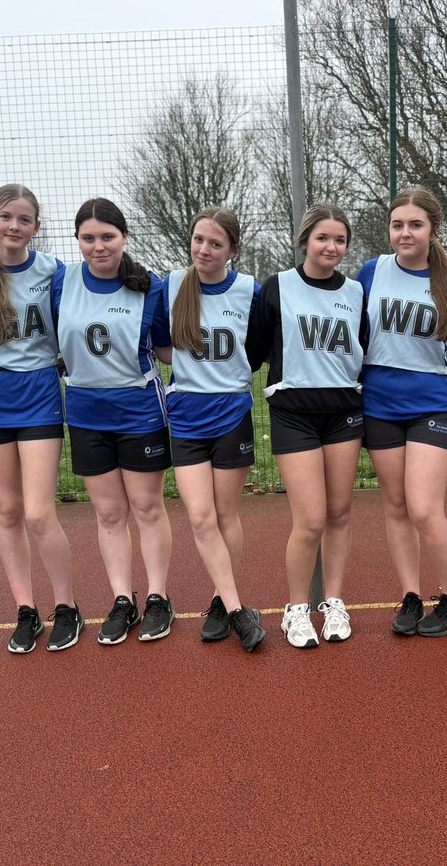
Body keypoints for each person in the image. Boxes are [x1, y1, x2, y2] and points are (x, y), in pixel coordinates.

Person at [0, 184, 80, 654]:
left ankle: (66, 606)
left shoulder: (52, 271)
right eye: (6, 217)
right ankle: (26, 609)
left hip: (39, 393)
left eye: (24, 220)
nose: (14, 226)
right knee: (6, 510)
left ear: (36, 228)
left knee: (39, 512)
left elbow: (69, 326)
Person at [56, 198, 174, 645]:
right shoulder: (61, 282)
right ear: (78, 240)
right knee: (108, 512)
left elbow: (166, 349)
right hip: (85, 413)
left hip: (139, 409)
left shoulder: (151, 287)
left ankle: (159, 598)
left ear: (124, 237)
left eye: (107, 236)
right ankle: (123, 599)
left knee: (146, 507)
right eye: (88, 238)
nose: (98, 246)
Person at [247, 204, 366, 649]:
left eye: (339, 240)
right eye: (322, 238)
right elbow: (253, 351)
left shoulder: (355, 292)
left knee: (339, 513)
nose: (331, 247)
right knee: (311, 518)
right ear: (305, 241)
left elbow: (365, 347)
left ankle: (333, 601)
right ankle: (296, 609)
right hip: (293, 412)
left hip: (343, 413)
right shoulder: (277, 287)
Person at [358, 186, 447, 637]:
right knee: (397, 505)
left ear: (432, 230)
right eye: (398, 225)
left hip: (431, 403)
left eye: (415, 225)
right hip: (379, 402)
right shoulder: (372, 271)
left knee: (425, 508)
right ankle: (409, 595)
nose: (405, 233)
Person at [160, 206, 266, 652]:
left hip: (231, 413)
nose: (204, 249)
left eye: (215, 243)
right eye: (198, 239)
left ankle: (222, 601)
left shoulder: (248, 291)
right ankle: (239, 608)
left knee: (225, 515)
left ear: (232, 250)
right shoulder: (170, 286)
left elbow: (257, 350)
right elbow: (160, 345)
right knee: (201, 517)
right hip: (186, 414)